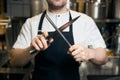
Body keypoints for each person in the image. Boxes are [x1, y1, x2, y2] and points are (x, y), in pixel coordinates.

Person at [10, 0, 107, 80]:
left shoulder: (85, 21)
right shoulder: (31, 23)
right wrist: (31, 49)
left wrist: (90, 53)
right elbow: (14, 60)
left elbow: (103, 57)